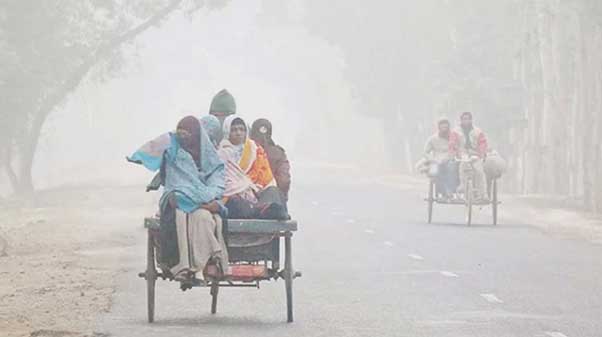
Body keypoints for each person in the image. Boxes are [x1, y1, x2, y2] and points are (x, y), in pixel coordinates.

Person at [129, 116, 230, 282]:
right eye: (180, 133)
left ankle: (200, 266)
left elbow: (217, 179)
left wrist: (207, 196)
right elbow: (154, 148)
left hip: (202, 202)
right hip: (178, 197)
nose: (183, 137)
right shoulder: (172, 148)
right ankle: (182, 267)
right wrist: (137, 156)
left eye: (187, 134)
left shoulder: (209, 154)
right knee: (180, 217)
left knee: (204, 218)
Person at [218, 116, 288, 219]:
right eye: (234, 130)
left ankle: (262, 210)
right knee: (237, 204)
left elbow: (265, 178)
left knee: (273, 190)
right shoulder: (221, 154)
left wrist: (256, 188)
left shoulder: (255, 150)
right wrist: (242, 188)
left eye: (241, 129)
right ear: (227, 132)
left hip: (255, 195)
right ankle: (260, 211)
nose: (238, 133)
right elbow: (224, 183)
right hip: (232, 197)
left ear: (246, 132)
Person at [250, 118, 291, 202]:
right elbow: (284, 180)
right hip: (274, 201)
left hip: (249, 200)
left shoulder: (246, 150)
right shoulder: (279, 153)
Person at [451, 111, 488, 201]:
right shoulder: (456, 131)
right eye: (464, 119)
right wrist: (455, 153)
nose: (466, 121)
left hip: (475, 154)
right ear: (461, 120)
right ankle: (463, 189)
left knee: (479, 171)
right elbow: (452, 143)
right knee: (463, 168)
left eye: (468, 119)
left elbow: (482, 143)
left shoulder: (478, 131)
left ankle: (482, 195)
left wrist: (481, 153)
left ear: (471, 120)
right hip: (462, 154)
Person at [423, 117, 459, 201]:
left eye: (446, 128)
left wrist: (453, 156)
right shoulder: (433, 139)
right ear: (439, 128)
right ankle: (443, 192)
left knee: (452, 167)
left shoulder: (454, 138)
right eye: (442, 128)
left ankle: (450, 191)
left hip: (451, 160)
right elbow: (425, 152)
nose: (444, 129)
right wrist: (433, 159)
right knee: (434, 171)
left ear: (448, 128)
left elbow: (458, 148)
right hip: (437, 161)